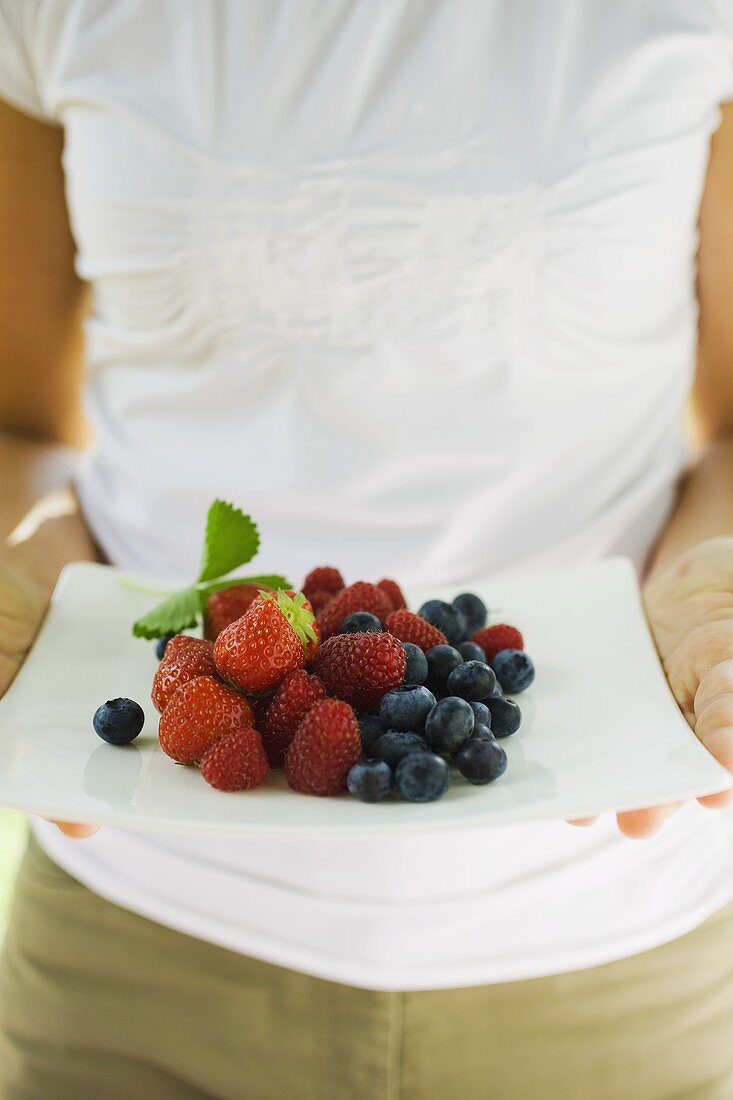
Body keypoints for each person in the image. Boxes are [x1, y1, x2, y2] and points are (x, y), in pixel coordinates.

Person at [1, 2, 733, 1097]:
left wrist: (705, 590)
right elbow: (20, 429)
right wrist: (25, 579)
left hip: (614, 961)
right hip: (134, 934)